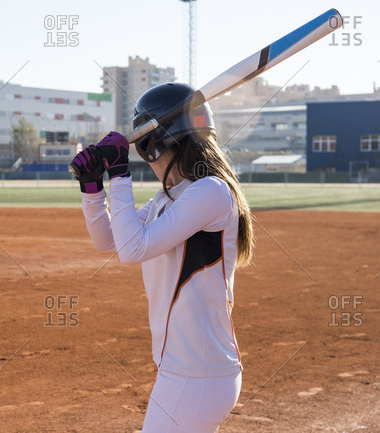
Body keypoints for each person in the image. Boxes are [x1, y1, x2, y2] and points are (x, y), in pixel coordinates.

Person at [71, 83, 254, 433]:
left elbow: (132, 250)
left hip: (197, 374)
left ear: (152, 145)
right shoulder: (169, 197)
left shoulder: (210, 191)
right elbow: (110, 241)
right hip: (189, 371)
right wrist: (93, 189)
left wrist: (120, 174)